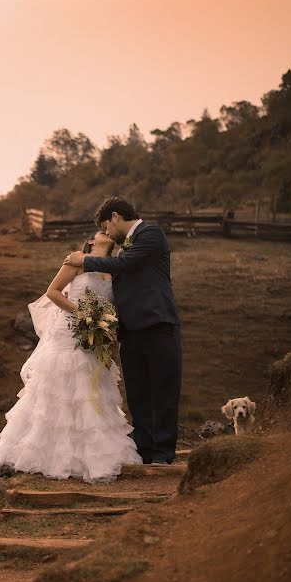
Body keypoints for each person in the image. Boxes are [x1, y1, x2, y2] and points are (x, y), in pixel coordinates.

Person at [0, 231, 141, 501]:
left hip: (92, 339)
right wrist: (82, 313)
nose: (106, 232)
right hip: (68, 331)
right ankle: (49, 457)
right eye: (100, 231)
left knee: (89, 392)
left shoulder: (113, 271)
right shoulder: (76, 261)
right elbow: (52, 292)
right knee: (59, 388)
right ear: (90, 241)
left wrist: (104, 324)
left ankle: (91, 458)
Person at [64, 197, 182, 465]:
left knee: (163, 392)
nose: (107, 233)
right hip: (130, 333)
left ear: (116, 216)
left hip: (158, 326)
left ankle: (163, 455)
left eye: (106, 226)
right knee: (138, 395)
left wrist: (83, 258)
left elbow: (124, 266)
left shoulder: (150, 233)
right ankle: (144, 452)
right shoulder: (123, 251)